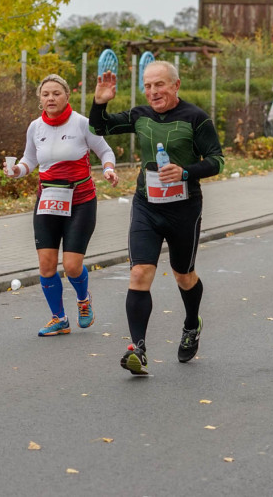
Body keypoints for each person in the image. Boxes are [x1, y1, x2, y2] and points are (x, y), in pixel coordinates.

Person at [90, 61, 225, 376]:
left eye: (159, 85)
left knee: (183, 275)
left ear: (175, 85)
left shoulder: (196, 118)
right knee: (139, 274)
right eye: (148, 86)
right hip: (146, 206)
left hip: (184, 208)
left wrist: (186, 171)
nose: (153, 92)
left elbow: (217, 161)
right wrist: (100, 102)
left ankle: (192, 324)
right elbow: (99, 128)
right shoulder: (140, 115)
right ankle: (138, 349)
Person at [6, 74, 119, 337]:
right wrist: (16, 171)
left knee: (71, 265)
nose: (51, 98)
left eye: (56, 93)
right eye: (46, 94)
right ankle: (58, 318)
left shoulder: (82, 124)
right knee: (46, 265)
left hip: (80, 202)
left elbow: (105, 151)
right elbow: (29, 160)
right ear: (40, 100)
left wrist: (109, 169)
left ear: (67, 96)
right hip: (48, 201)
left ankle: (83, 299)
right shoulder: (35, 127)